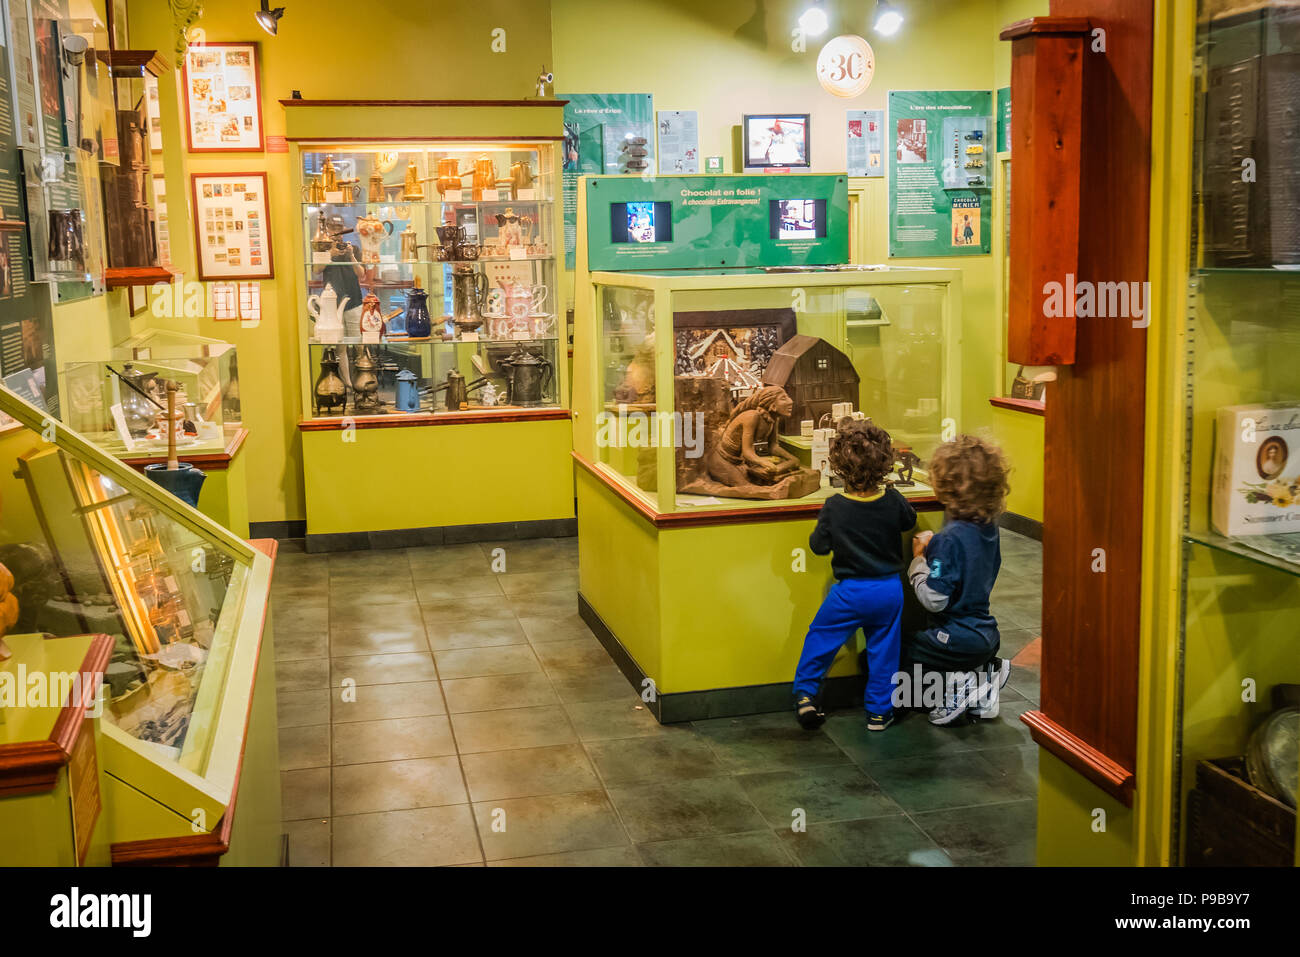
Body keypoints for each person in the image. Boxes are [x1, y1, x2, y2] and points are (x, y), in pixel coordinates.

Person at [793, 420, 917, 732]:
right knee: (884, 651)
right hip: (889, 590)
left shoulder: (835, 506)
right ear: (885, 463)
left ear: (838, 465)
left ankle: (806, 695)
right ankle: (878, 712)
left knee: (820, 638)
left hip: (849, 592)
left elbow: (818, 546)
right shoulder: (892, 499)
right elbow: (909, 521)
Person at [904, 435, 1010, 725]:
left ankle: (959, 686)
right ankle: (984, 680)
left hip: (957, 639)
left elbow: (934, 600)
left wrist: (919, 561)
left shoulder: (948, 540)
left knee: (909, 649)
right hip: (986, 632)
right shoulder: (988, 526)